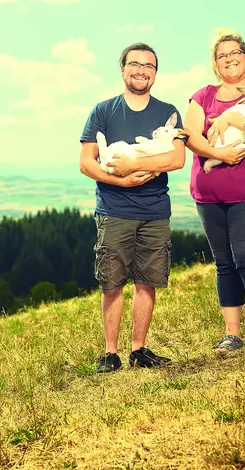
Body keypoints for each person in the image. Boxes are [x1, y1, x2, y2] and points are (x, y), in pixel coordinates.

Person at [80, 43, 186, 373]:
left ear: (155, 72)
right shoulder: (103, 111)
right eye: (135, 64)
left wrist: (137, 163)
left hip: (155, 210)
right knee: (112, 282)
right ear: (123, 69)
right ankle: (110, 353)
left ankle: (139, 350)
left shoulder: (168, 111)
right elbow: (86, 163)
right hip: (114, 210)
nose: (142, 70)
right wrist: (122, 180)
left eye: (149, 66)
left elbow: (178, 159)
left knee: (147, 282)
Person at [183, 29, 245, 352]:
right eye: (222, 55)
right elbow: (191, 135)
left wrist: (232, 117)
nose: (229, 59)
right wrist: (220, 155)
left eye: (235, 52)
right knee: (224, 262)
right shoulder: (202, 97)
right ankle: (232, 333)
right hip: (209, 194)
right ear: (215, 64)